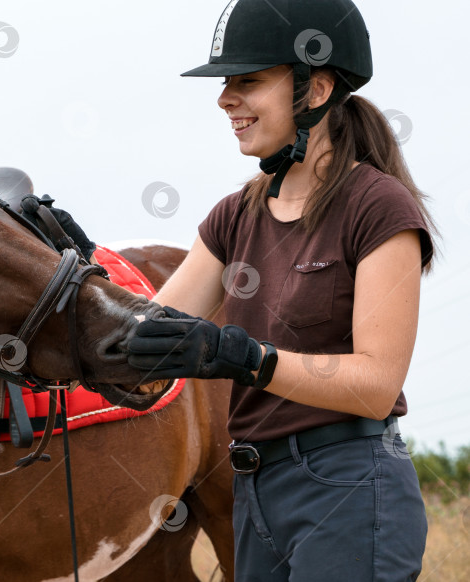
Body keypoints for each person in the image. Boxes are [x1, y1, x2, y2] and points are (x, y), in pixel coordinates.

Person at [120, 0, 436, 580]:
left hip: (348, 487)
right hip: (254, 492)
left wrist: (249, 359)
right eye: (225, 83)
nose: (224, 100)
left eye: (248, 81)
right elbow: (146, 338)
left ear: (313, 90)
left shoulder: (378, 207)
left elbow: (375, 384)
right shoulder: (233, 216)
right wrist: (64, 268)